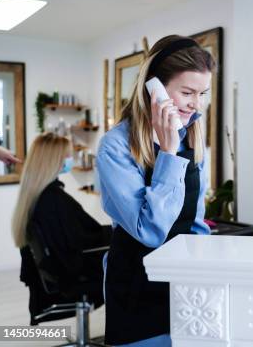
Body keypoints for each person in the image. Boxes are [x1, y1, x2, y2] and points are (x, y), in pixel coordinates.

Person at [96, 35, 214, 346]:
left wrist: (211, 272)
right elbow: (149, 231)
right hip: (137, 287)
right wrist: (169, 154)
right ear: (154, 88)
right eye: (187, 92)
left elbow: (196, 221)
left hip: (187, 285)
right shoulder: (116, 146)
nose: (196, 103)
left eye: (203, 93)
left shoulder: (193, 137)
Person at [11, 133, 111, 324]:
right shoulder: (53, 199)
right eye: (66, 156)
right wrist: (117, 234)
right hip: (74, 273)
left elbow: (76, 235)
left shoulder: (39, 196)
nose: (70, 160)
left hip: (57, 272)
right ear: (54, 159)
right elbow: (82, 239)